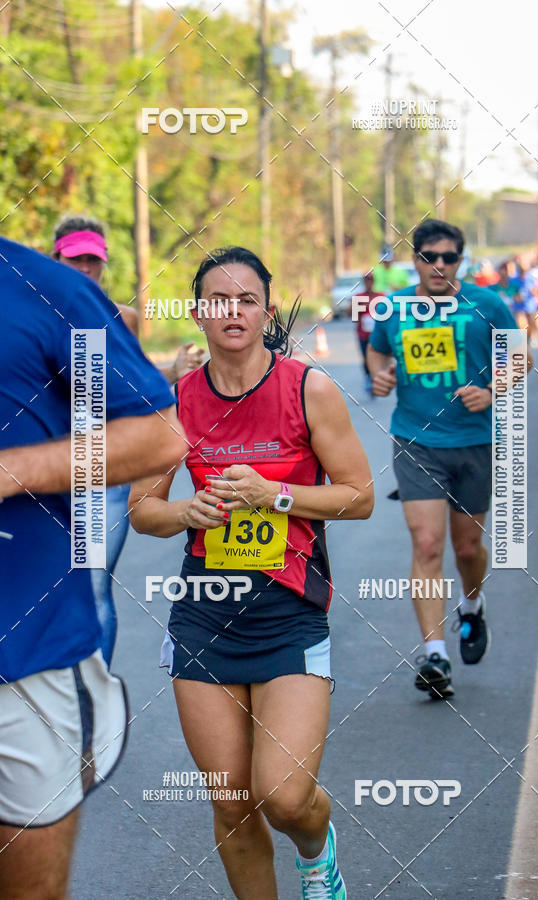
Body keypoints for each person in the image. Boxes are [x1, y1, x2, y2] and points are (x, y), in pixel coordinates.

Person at [129, 246, 374, 900]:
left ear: (265, 309)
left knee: (284, 795)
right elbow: (142, 513)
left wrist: (276, 495)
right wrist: (186, 509)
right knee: (233, 802)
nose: (233, 311)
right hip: (204, 618)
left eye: (246, 299)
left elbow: (360, 495)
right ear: (199, 312)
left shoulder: (306, 388)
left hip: (289, 614)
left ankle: (318, 854)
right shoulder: (176, 399)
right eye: (219, 299)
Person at [0, 235, 187, 900]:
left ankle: (93, 679)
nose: (86, 267)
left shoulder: (48, 291)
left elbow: (161, 435)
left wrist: (13, 471)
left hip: (26, 655)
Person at [367, 218, 533, 700]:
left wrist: (491, 389)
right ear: (415, 259)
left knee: (466, 550)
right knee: (427, 545)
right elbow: (378, 356)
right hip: (416, 440)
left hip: (475, 441)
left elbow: (521, 358)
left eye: (449, 258)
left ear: (461, 260)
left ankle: (473, 604)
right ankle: (436, 655)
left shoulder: (486, 303)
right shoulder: (395, 308)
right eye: (429, 256)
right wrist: (381, 379)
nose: (439, 266)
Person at [52, 213, 204, 666]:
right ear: (53, 257)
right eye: (73, 258)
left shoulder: (122, 318)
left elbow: (125, 382)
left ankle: (94, 704)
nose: (83, 269)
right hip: (38, 472)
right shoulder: (29, 311)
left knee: (93, 583)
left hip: (102, 469)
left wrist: (172, 373)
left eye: (91, 260)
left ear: (103, 264)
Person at [351, 271, 385, 393]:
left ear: (373, 282)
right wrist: (360, 306)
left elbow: (387, 312)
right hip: (363, 334)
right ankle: (368, 377)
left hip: (377, 334)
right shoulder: (358, 297)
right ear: (364, 282)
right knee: (365, 357)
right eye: (367, 280)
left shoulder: (380, 296)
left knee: (377, 356)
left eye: (371, 280)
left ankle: (376, 377)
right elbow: (352, 315)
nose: (369, 283)